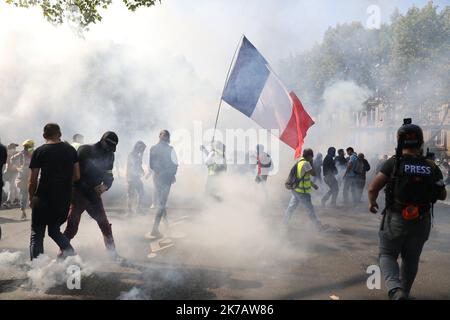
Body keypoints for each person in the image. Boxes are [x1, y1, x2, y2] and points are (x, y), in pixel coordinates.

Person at [368, 120, 447, 300]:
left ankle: (395, 289)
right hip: (422, 219)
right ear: (420, 142)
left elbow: (373, 188)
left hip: (395, 218)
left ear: (400, 142)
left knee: (387, 254)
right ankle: (405, 292)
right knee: (411, 259)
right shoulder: (432, 166)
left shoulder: (394, 163)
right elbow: (442, 195)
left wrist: (372, 203)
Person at [63, 131, 121, 261]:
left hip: (94, 195)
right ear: (102, 141)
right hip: (79, 193)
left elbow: (109, 176)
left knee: (104, 225)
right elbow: (75, 176)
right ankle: (62, 254)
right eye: (109, 146)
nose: (110, 150)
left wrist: (105, 186)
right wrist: (87, 189)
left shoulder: (110, 156)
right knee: (72, 226)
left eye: (113, 148)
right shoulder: (85, 150)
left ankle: (113, 254)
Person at [28, 123, 79, 260]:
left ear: (44, 135)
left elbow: (33, 180)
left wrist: (31, 198)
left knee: (37, 234)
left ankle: (37, 269)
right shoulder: (71, 150)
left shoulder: (39, 151)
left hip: (43, 199)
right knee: (54, 231)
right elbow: (77, 176)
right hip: (62, 200)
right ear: (60, 134)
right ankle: (72, 257)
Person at [283, 149, 328, 231]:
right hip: (302, 192)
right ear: (309, 156)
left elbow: (302, 176)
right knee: (310, 210)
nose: (312, 158)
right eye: (312, 157)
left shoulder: (300, 161)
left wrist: (313, 184)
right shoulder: (306, 163)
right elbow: (314, 173)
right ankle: (318, 226)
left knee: (291, 208)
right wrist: (311, 163)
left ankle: (284, 223)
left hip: (296, 189)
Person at [149, 130, 178, 238]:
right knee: (162, 203)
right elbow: (175, 164)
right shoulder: (170, 149)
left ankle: (166, 227)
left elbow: (151, 166)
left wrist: (161, 171)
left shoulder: (153, 148)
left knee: (161, 202)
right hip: (166, 179)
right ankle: (154, 229)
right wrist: (172, 174)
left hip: (157, 178)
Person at [11, 139, 35, 220]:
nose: (26, 148)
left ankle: (31, 210)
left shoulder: (34, 153)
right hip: (24, 174)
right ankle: (23, 211)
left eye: (27, 147)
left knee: (31, 192)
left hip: (31, 174)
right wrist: (18, 167)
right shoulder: (21, 153)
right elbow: (12, 159)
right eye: (25, 147)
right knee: (24, 193)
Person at [127, 141, 146, 215]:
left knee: (141, 192)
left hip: (136, 178)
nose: (142, 151)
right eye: (142, 149)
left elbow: (139, 165)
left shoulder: (138, 155)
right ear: (138, 147)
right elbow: (134, 165)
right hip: (131, 178)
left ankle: (138, 209)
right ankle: (130, 211)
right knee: (130, 194)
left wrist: (142, 170)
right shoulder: (131, 155)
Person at [2, 143, 19, 208]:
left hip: (15, 173)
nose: (14, 148)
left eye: (14, 147)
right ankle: (16, 200)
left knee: (12, 186)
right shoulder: (7, 154)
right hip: (8, 173)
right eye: (13, 147)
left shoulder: (17, 154)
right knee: (13, 186)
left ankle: (9, 201)